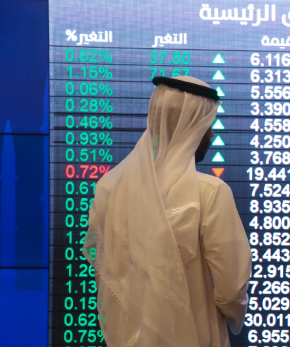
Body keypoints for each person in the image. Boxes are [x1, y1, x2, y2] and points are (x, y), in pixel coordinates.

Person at [82, 76, 251, 347]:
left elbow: (106, 275)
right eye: (209, 125)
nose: (212, 134)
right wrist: (230, 315)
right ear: (195, 126)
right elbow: (231, 290)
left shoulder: (108, 189)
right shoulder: (210, 192)